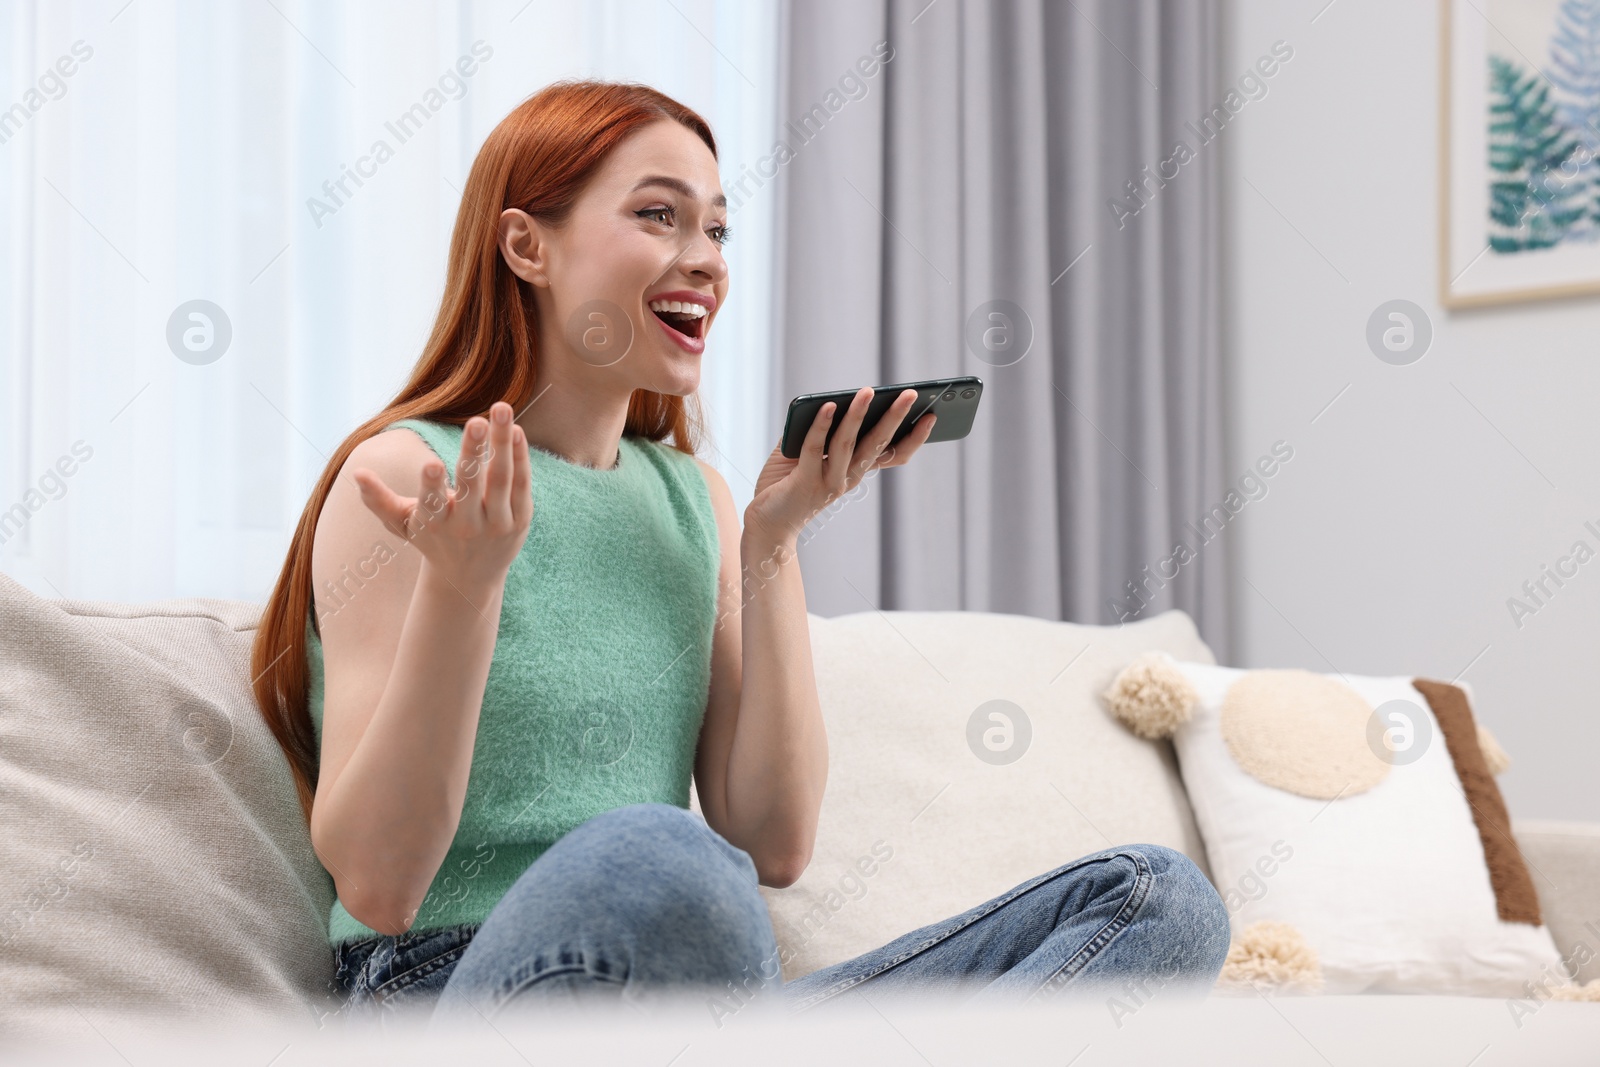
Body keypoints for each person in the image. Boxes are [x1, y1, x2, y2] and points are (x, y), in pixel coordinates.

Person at [248, 78, 1231, 1033]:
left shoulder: (695, 500)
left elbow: (774, 840)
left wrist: (771, 543)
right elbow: (378, 883)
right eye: (659, 216)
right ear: (525, 245)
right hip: (452, 987)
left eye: (716, 227)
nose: (707, 259)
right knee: (662, 855)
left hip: (703, 1014)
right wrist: (464, 592)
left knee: (1157, 899)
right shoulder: (407, 475)